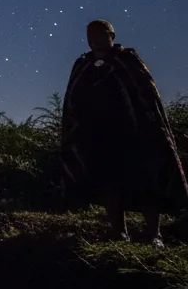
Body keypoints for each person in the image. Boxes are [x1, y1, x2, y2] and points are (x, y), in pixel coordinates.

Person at [61, 20, 187, 247]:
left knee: (146, 183)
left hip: (133, 134)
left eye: (101, 34)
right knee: (110, 184)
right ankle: (119, 232)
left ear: (112, 35)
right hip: (99, 136)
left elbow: (146, 95)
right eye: (90, 34)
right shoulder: (83, 65)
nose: (95, 39)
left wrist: (149, 128)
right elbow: (73, 100)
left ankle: (154, 234)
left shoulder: (127, 61)